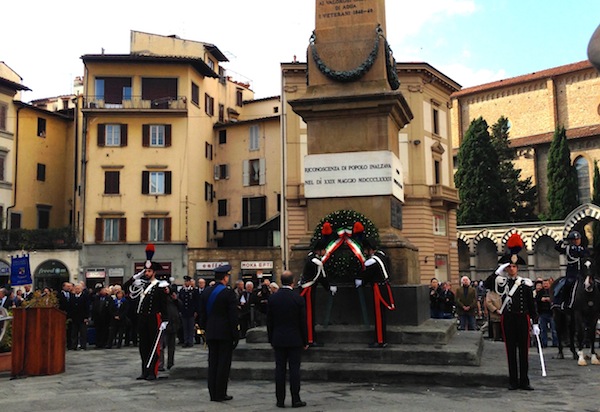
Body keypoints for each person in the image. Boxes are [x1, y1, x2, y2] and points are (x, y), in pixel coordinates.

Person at [484, 233, 539, 391]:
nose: (512, 269)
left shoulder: (526, 283)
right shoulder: (501, 282)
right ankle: (513, 381)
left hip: (522, 318)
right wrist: (497, 271)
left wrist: (535, 322)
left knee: (523, 351)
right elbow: (487, 284)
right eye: (509, 266)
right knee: (510, 351)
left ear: (518, 268)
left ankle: (524, 381)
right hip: (508, 319)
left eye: (514, 266)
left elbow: (531, 304)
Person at [123, 258, 170, 381]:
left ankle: (152, 372)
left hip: (153, 318)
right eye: (145, 271)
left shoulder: (160, 285)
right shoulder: (142, 284)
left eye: (149, 271)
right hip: (142, 318)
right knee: (143, 346)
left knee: (153, 346)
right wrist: (135, 277)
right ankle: (144, 371)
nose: (146, 273)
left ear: (154, 272)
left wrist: (165, 319)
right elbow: (125, 287)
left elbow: (163, 304)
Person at [267, 270, 308, 408]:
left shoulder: (273, 298)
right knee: (294, 370)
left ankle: (280, 400)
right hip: (295, 339)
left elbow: (269, 322)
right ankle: (296, 399)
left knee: (280, 370)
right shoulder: (298, 298)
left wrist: (271, 338)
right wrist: (305, 340)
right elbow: (303, 322)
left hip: (278, 338)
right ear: (293, 281)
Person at [198, 264, 239, 402]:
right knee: (223, 364)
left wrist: (205, 328)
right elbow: (233, 316)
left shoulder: (206, 292)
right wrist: (235, 334)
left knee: (213, 363)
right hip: (225, 333)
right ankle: (220, 393)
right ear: (225, 277)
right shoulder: (228, 293)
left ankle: (212, 393)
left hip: (211, 332)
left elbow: (202, 315)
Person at [356, 240, 396, 348]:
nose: (364, 252)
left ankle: (380, 340)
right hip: (384, 286)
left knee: (378, 315)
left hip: (378, 288)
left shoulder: (371, 262)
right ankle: (381, 339)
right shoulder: (381, 255)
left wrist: (361, 281)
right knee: (381, 315)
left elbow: (367, 275)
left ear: (370, 250)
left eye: (365, 250)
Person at [299, 243, 336, 346]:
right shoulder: (316, 262)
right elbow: (321, 277)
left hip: (307, 288)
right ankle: (310, 339)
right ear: (319, 251)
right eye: (324, 250)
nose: (325, 252)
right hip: (309, 289)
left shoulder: (310, 257)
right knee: (309, 315)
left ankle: (310, 338)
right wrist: (329, 287)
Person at [554, 230, 590, 309]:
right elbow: (557, 247)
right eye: (574, 240)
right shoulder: (568, 249)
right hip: (572, 274)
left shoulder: (584, 250)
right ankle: (563, 302)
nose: (576, 241)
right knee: (567, 284)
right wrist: (562, 240)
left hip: (583, 274)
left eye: (578, 239)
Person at [159, 283, 181, 371]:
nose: (166, 290)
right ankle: (160, 364)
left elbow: (180, 306)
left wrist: (176, 299)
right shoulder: (160, 299)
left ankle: (170, 363)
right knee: (161, 346)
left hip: (173, 324)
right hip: (164, 325)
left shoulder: (173, 298)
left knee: (172, 346)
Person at [178, 275, 199, 347]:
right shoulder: (182, 290)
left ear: (190, 282)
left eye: (187, 281)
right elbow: (180, 301)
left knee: (191, 328)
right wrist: (180, 311)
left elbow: (196, 302)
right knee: (185, 327)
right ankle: (185, 341)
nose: (186, 282)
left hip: (191, 312)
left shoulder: (194, 291)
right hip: (184, 312)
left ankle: (190, 341)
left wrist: (196, 311)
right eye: (185, 281)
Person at [536, 278, 557, 347]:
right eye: (544, 284)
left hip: (551, 313)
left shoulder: (553, 291)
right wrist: (541, 299)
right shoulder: (540, 292)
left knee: (553, 329)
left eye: (546, 284)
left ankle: (555, 343)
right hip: (542, 313)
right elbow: (536, 299)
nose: (545, 285)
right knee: (543, 329)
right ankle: (544, 343)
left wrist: (549, 299)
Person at [68, 284, 90, 350]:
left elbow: (87, 307)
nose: (77, 290)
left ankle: (83, 345)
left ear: (81, 289)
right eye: (76, 288)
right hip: (74, 318)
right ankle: (74, 345)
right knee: (74, 333)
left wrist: (86, 317)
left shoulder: (85, 296)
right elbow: (70, 307)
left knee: (83, 333)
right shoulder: (72, 297)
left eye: (78, 288)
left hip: (82, 318)